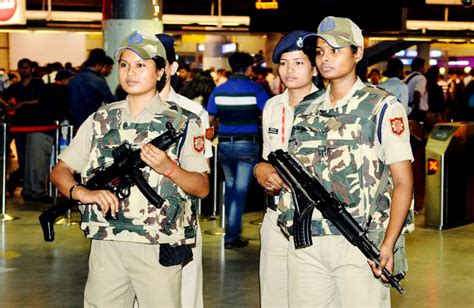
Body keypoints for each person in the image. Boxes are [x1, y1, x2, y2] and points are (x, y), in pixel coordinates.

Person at [49, 30, 210, 307]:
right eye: (124, 65)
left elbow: (202, 187)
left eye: (140, 65)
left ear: (161, 72)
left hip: (159, 242)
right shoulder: (101, 119)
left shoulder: (183, 123)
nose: (130, 73)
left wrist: (168, 168)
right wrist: (81, 192)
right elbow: (60, 171)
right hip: (107, 241)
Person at [276, 16, 415, 307]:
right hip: (307, 240)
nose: (326, 58)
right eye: (320, 51)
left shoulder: (383, 106)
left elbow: (403, 181)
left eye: (335, 50)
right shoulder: (306, 108)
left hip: (359, 240)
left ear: (358, 53)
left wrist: (388, 244)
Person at [253, 30, 318, 307]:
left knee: (310, 296)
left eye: (299, 62)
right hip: (275, 214)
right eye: (284, 63)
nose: (289, 70)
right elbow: (267, 156)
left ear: (315, 68)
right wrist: (262, 169)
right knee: (273, 293)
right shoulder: (272, 106)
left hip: (313, 220)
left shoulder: (327, 107)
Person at [156, 32, 213, 308]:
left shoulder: (192, 113)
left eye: (157, 62)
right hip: (133, 226)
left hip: (180, 221)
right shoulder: (120, 112)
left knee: (184, 296)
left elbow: (202, 178)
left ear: (171, 68)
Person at [207, 51, 269, 249]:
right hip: (247, 145)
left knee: (231, 189)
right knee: (240, 192)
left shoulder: (219, 90)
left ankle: (230, 233)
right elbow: (269, 115)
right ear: (249, 68)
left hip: (224, 144)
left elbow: (209, 120)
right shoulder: (256, 89)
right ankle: (232, 237)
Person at [68, 48, 116, 128]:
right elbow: (111, 101)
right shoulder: (98, 81)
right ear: (99, 64)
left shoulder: (74, 79)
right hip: (93, 123)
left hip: (76, 124)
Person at [405, 57, 428, 122]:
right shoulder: (421, 78)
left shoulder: (407, 77)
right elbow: (417, 92)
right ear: (421, 67)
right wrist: (416, 111)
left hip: (408, 108)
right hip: (418, 111)